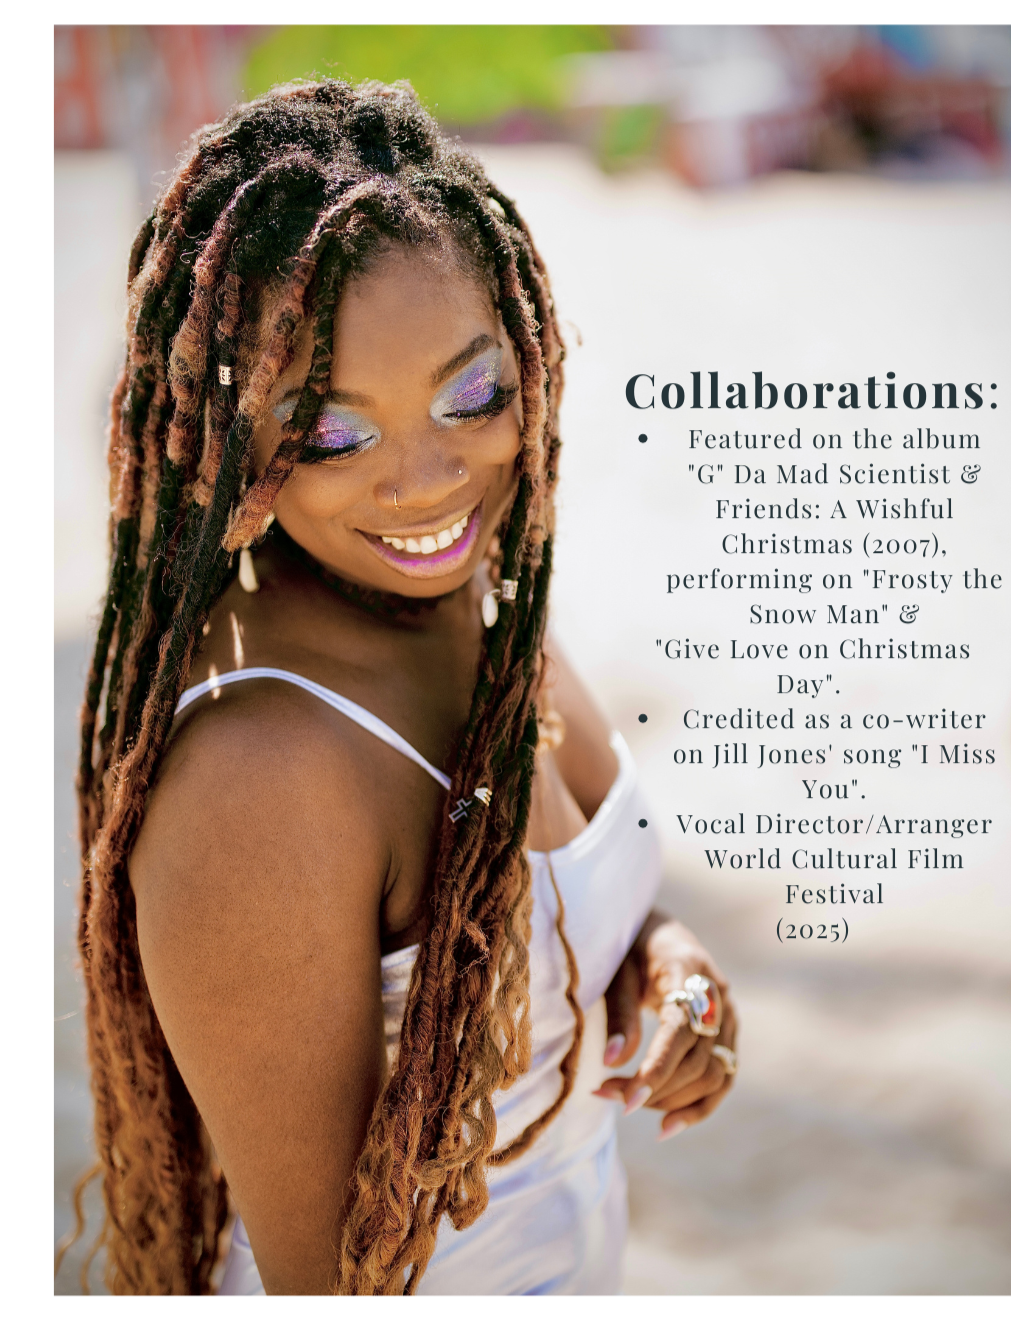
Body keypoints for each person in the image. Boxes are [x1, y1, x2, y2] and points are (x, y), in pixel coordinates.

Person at [68, 78, 738, 1296]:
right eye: (331, 432)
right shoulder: (257, 781)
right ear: (237, 443)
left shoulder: (478, 596)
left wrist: (666, 962)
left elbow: (580, 895)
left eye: (470, 395)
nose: (428, 480)